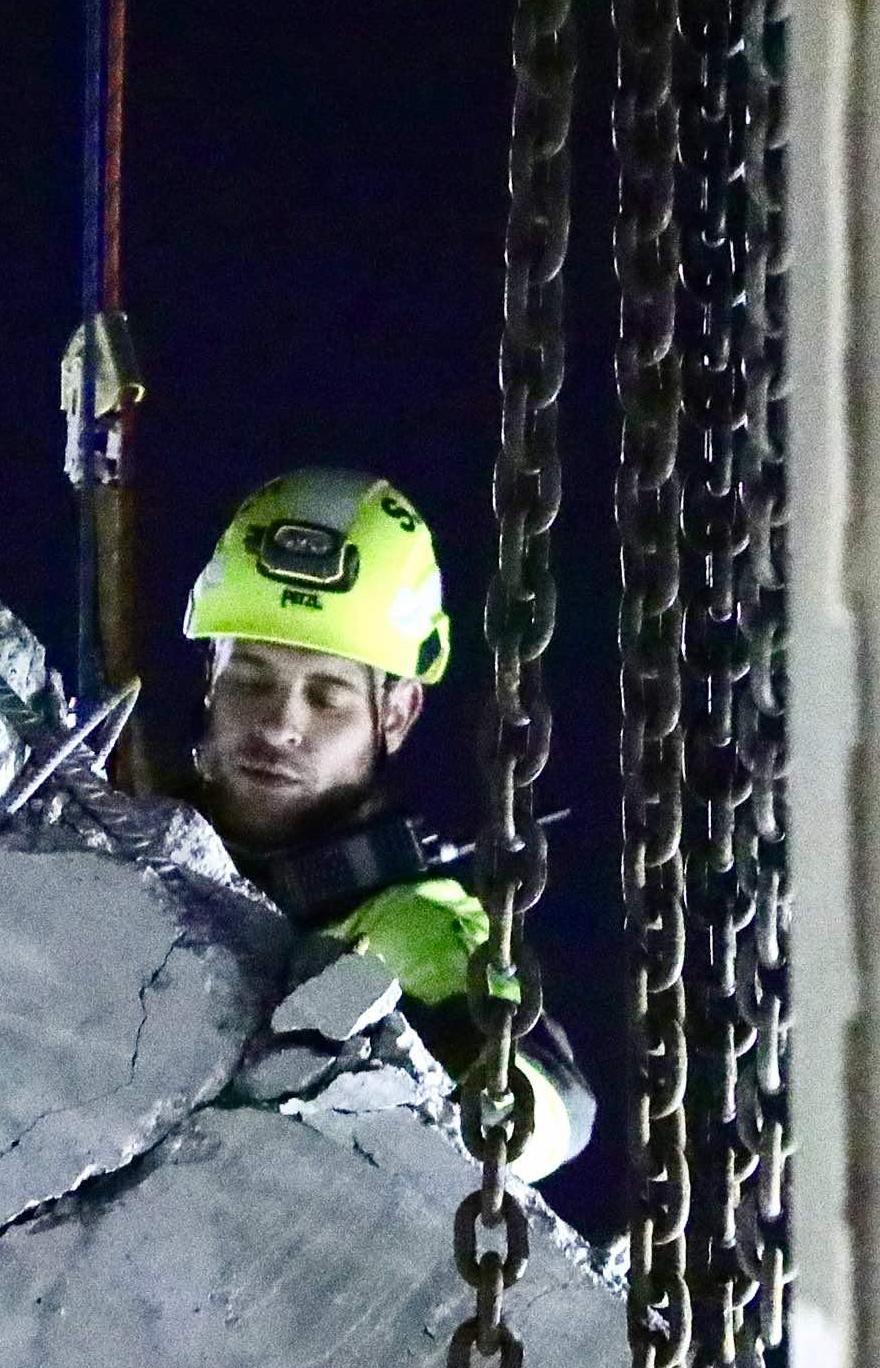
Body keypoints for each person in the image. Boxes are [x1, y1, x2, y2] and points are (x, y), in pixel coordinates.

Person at [173, 467, 594, 1180]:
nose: (280, 724)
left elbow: (556, 1100)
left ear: (396, 715)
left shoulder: (412, 925)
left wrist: (507, 1100)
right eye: (250, 677)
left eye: (328, 695)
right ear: (208, 679)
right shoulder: (111, 832)